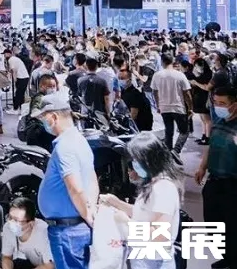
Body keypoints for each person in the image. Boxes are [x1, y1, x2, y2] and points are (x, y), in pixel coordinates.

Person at [33, 92, 98, 269]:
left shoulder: (65, 147)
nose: (42, 122)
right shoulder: (79, 140)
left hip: (68, 231)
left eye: (43, 117)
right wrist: (90, 210)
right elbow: (92, 178)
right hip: (75, 227)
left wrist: (88, 216)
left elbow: (75, 188)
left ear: (53, 117)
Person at [100, 131, 182, 269]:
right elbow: (145, 213)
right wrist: (116, 203)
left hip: (153, 261)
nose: (134, 164)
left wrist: (126, 221)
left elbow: (160, 234)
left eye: (136, 160)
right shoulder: (153, 183)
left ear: (149, 161)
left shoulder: (163, 188)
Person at [194, 85, 237, 269]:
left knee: (232, 227)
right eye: (216, 103)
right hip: (214, 181)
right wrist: (202, 167)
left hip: (232, 185)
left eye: (223, 103)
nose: (218, 107)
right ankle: (226, 257)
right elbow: (211, 146)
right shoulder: (218, 122)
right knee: (214, 224)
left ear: (234, 104)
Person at [151, 52, 193, 162]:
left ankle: (168, 156)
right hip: (178, 107)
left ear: (162, 62)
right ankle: (176, 150)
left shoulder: (157, 75)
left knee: (169, 132)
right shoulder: (180, 75)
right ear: (173, 61)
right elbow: (187, 93)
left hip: (164, 107)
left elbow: (154, 92)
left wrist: (158, 105)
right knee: (184, 131)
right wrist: (190, 107)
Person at [2, 197, 53, 269]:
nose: (11, 223)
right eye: (10, 217)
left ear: (31, 224)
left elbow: (50, 265)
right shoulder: (8, 227)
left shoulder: (42, 232)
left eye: (16, 220)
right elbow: (6, 257)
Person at [120, 65, 154, 132]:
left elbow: (133, 115)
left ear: (129, 80)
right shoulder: (124, 92)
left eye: (122, 79)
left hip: (141, 128)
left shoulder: (135, 94)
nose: (120, 81)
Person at [186, 57, 212, 144]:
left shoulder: (208, 74)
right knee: (202, 119)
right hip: (199, 98)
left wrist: (196, 82)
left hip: (205, 98)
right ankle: (204, 136)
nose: (196, 67)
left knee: (207, 119)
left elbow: (206, 87)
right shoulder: (200, 74)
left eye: (197, 66)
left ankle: (207, 138)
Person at [4, 47, 30, 115]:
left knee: (18, 94)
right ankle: (20, 109)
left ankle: (15, 109)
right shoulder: (15, 59)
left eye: (5, 54)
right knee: (20, 94)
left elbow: (14, 70)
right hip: (24, 77)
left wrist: (15, 79)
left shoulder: (11, 59)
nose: (5, 55)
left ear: (9, 54)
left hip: (21, 78)